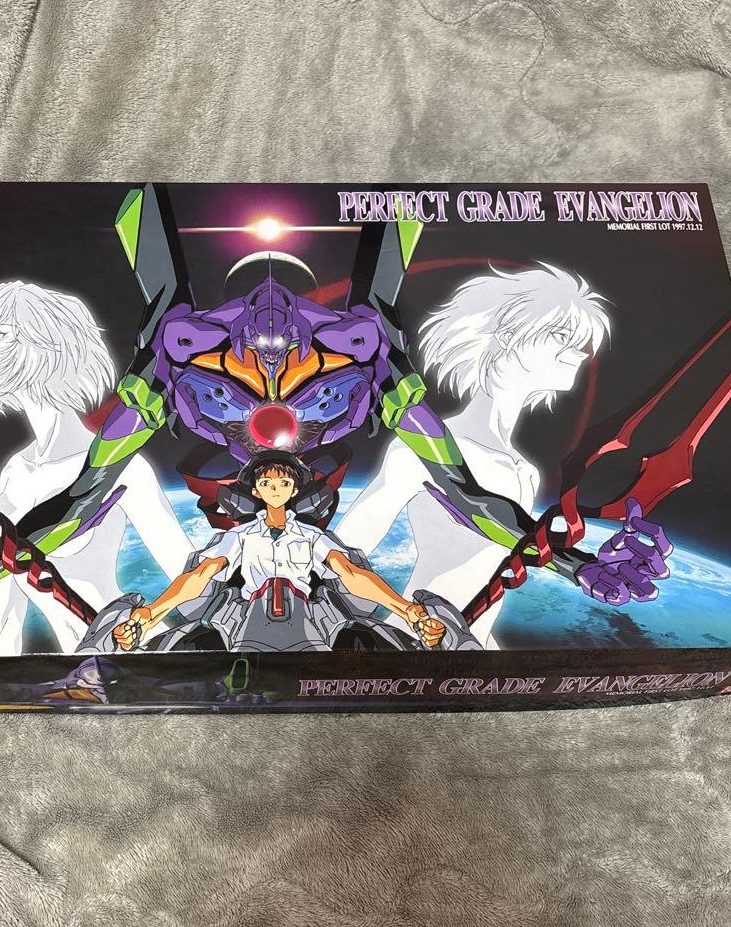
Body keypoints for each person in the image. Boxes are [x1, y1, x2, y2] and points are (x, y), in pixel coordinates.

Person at [334, 264, 611, 647]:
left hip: (476, 645)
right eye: (563, 335)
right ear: (508, 335)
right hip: (412, 641)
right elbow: (337, 558)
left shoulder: (525, 471)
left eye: (581, 342)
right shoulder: (420, 449)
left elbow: (504, 559)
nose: (579, 354)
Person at [0, 279, 194, 654]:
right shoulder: (16, 470)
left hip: (140, 651)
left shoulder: (122, 466)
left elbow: (193, 581)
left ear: (45, 345)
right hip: (80, 669)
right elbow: (6, 623)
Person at [111, 452, 447, 652]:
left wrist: (409, 612)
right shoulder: (240, 536)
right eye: (267, 483)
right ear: (256, 490)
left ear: (294, 489)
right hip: (243, 617)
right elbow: (202, 575)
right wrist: (149, 615)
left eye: (284, 483)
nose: (276, 489)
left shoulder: (312, 537)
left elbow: (350, 573)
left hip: (310, 616)